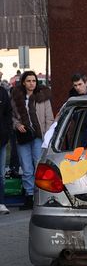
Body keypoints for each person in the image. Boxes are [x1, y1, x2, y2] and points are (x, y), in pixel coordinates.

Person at [11, 71, 54, 210]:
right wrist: (17, 125)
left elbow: (49, 118)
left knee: (38, 166)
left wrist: (46, 137)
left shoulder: (43, 98)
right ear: (23, 82)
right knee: (26, 168)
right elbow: (11, 116)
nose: (31, 83)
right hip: (23, 137)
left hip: (38, 137)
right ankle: (29, 196)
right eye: (28, 81)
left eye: (34, 81)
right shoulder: (17, 98)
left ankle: (39, 196)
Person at [0, 80, 12, 214]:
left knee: (1, 174)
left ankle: (1, 202)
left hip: (1, 139)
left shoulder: (3, 93)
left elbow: (8, 113)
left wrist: (7, 131)